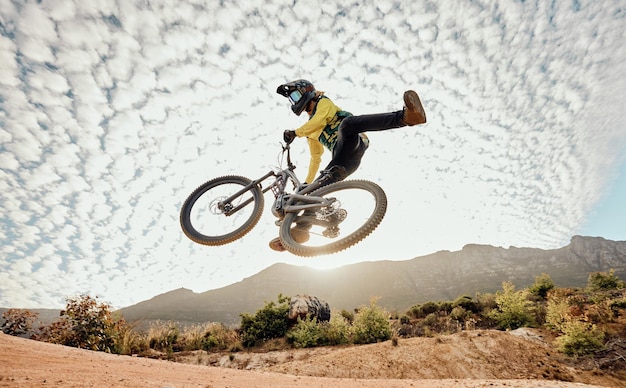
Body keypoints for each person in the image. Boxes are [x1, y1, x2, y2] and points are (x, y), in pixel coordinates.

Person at [269, 79, 427, 252]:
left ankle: (406, 118)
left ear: (306, 91)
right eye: (291, 99)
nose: (294, 100)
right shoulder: (309, 130)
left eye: (295, 95)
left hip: (353, 145)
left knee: (348, 124)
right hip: (341, 161)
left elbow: (320, 119)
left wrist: (295, 132)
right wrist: (306, 184)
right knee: (310, 193)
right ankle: (296, 234)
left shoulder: (323, 102)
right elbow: (316, 157)